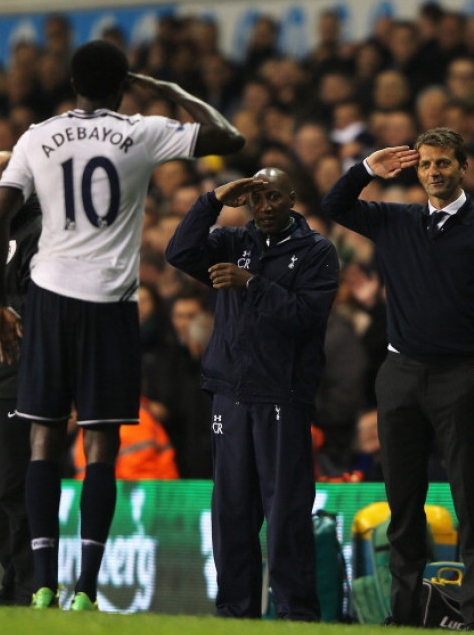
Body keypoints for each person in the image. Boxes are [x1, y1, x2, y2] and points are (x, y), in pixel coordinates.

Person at [0, 39, 244, 611]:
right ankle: (87, 588)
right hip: (110, 302)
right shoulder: (143, 131)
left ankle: (43, 583)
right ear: (122, 84)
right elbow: (228, 136)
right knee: (100, 443)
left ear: (72, 83)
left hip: (49, 298)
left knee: (42, 436)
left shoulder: (37, 136)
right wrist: (167, 89)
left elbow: (3, 211)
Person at [321, 127, 474, 629]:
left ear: (463, 167)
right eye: (427, 163)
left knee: (471, 501)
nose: (434, 171)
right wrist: (367, 168)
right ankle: (406, 615)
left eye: (444, 162)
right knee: (402, 501)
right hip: (400, 375)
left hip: (460, 376)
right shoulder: (396, 219)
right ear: (417, 170)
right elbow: (334, 204)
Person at [165, 167, 339, 620]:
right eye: (257, 198)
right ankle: (234, 613)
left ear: (293, 198)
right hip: (230, 394)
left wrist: (252, 284)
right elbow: (179, 251)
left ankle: (296, 615)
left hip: (282, 395)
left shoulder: (317, 251)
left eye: (274, 197)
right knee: (232, 512)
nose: (264, 207)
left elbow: (306, 316)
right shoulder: (231, 242)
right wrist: (213, 200)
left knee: (286, 513)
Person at [0, 151, 41, 606]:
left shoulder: (40, 230)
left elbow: (42, 300)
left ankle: (29, 587)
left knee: (13, 484)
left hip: (20, 369)